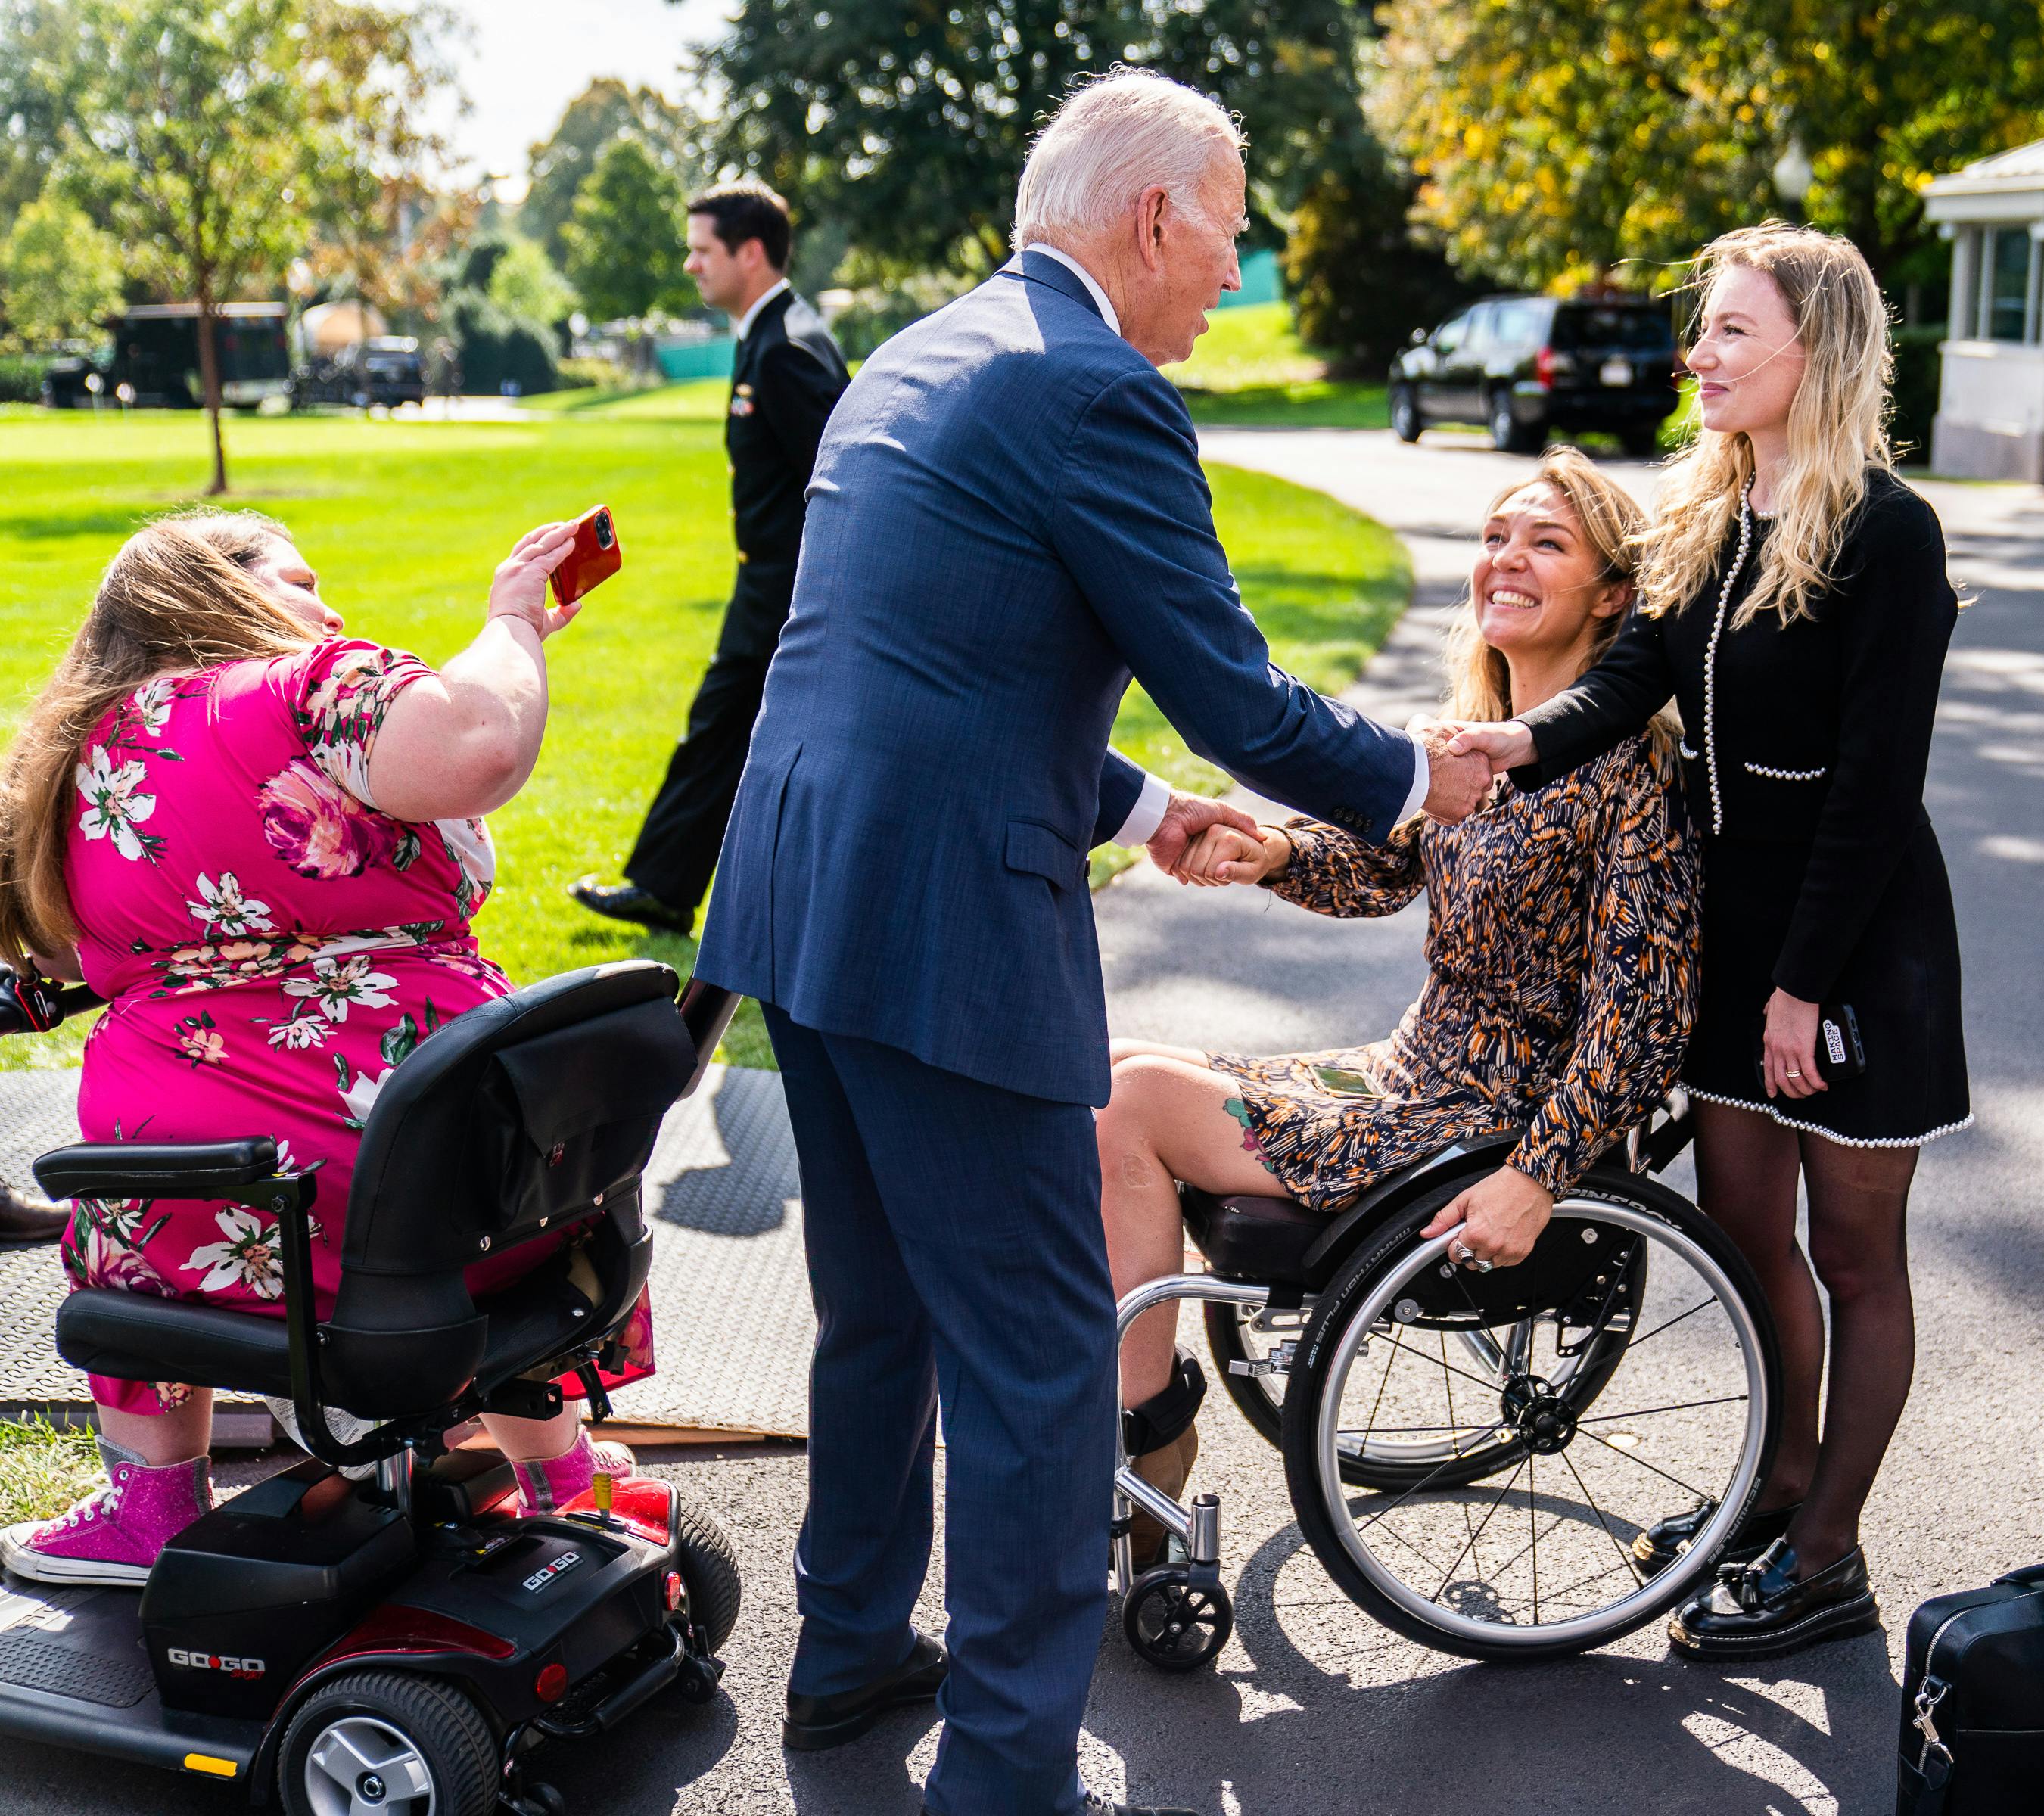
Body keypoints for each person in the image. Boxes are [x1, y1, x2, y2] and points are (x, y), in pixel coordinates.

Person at [689, 71, 1489, 1816]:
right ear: (1151, 217)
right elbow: (1239, 691)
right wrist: (1424, 766)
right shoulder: (1093, 387)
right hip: (941, 931)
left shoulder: (924, 348)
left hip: (798, 898)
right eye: (1228, 221)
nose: (1235, 257)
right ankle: (1004, 1772)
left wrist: (1137, 810)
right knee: (1049, 1353)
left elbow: (938, 659)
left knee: (881, 1310)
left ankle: (842, 1659)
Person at [1445, 222, 1968, 1662]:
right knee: (1749, 1237)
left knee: (1855, 1259)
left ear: (1821, 350)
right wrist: (1510, 738)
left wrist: (1804, 988)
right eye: (1707, 331)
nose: (1703, 355)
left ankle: (1828, 1553)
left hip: (1857, 948)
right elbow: (1621, 684)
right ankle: (1774, 1485)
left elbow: (1876, 791)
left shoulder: (1887, 534)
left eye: (1735, 331)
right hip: (1735, 935)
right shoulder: (1706, 518)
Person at [0, 511, 651, 1585]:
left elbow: (68, 951)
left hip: (226, 1212)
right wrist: (510, 623)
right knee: (473, 1222)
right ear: (217, 594)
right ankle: (565, 1482)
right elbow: (480, 742)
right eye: (302, 582)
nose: (330, 609)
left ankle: (151, 1511)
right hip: (471, 1176)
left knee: (116, 1219)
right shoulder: (307, 690)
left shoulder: (78, 761)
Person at [1103, 450, 1697, 1553]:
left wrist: (1537, 1174)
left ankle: (1146, 1445)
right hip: (1410, 1072)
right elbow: (1386, 871)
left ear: (1613, 594)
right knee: (1106, 1072)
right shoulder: (1476, 741)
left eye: (1546, 543)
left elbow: (1645, 1016)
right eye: (1495, 537)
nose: (1504, 561)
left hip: (1490, 1118)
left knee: (1126, 1106)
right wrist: (1275, 849)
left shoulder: (1625, 775)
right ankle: (1121, 1396)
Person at [573, 179, 849, 935]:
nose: (691, 266)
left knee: (747, 737)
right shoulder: (771, 334)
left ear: (749, 253)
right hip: (773, 589)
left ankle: (689, 890)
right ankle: (666, 886)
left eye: (703, 251)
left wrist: (815, 601)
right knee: (726, 732)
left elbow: (843, 484)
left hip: (794, 596)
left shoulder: (789, 348)